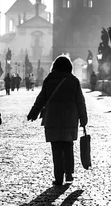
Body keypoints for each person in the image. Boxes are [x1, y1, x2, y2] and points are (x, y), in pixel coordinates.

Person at [27, 55, 88, 186]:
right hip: (69, 119)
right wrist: (83, 118)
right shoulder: (73, 81)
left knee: (56, 148)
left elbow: (41, 98)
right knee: (68, 146)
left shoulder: (49, 80)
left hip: (52, 118)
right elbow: (80, 101)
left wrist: (34, 112)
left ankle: (58, 177)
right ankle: (69, 173)